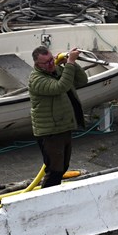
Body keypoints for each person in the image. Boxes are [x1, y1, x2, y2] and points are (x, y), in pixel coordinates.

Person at [28, 45, 88, 188]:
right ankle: (45, 199)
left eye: (51, 60)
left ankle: (53, 195)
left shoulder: (58, 70)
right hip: (50, 132)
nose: (51, 64)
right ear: (37, 65)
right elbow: (60, 87)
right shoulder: (36, 79)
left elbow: (82, 81)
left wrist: (72, 64)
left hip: (63, 126)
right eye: (46, 63)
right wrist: (70, 64)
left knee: (63, 167)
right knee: (54, 170)